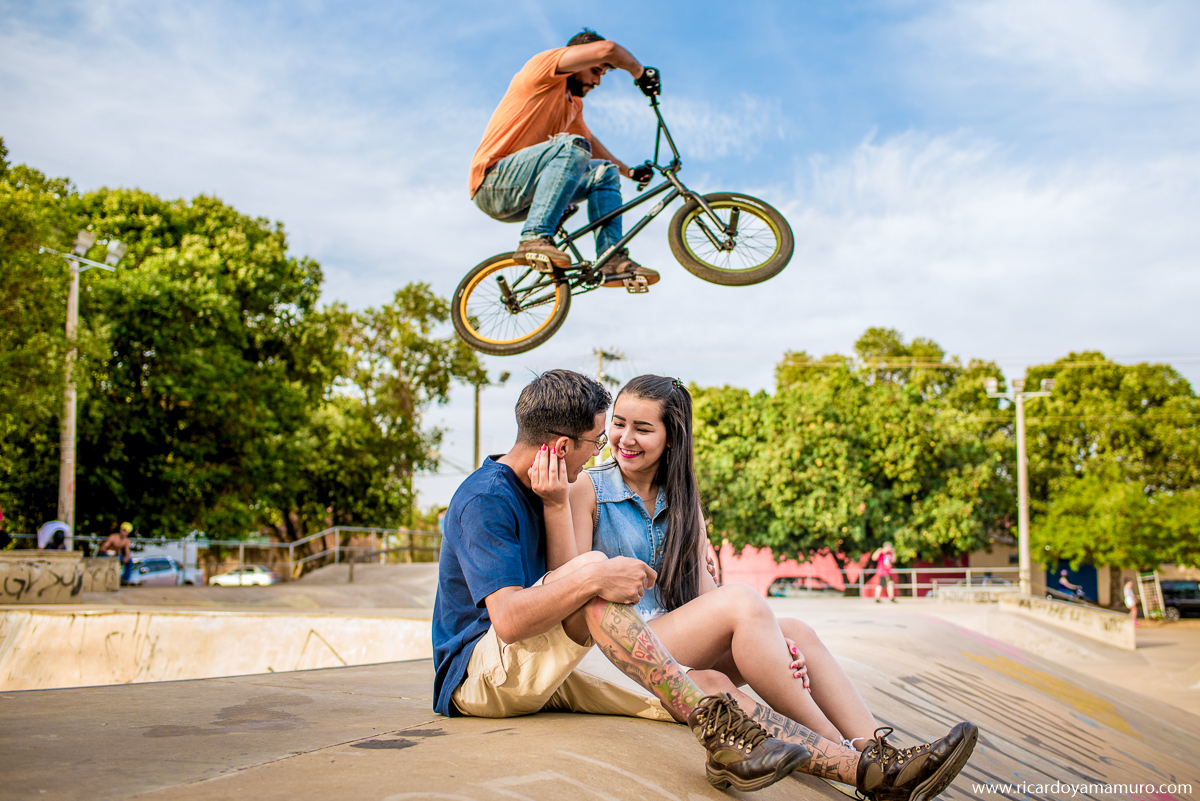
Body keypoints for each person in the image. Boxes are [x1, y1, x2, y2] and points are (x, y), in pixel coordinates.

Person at [529, 373, 978, 801]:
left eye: (643, 428)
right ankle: (854, 758)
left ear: (673, 437)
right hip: (619, 644)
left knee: (795, 632)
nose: (625, 438)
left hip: (675, 638)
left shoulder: (684, 501)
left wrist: (776, 647)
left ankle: (875, 749)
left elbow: (706, 602)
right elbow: (568, 586)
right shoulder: (587, 487)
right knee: (743, 600)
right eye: (619, 424)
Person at [434, 370, 811, 792]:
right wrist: (597, 572)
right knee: (595, 576)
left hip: (549, 664)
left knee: (730, 672)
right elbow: (508, 620)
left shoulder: (549, 489)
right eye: (600, 437)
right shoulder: (488, 498)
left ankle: (857, 759)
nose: (603, 450)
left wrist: (771, 645)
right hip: (480, 675)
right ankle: (710, 727)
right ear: (561, 446)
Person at [469, 29, 661, 289]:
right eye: (596, 71)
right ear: (579, 60)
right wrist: (640, 73)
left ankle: (610, 257)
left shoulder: (572, 104)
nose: (597, 83)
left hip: (525, 194)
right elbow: (608, 50)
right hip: (493, 182)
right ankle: (534, 237)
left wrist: (629, 172)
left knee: (605, 171)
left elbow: (590, 143)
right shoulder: (543, 69)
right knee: (572, 146)